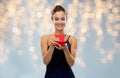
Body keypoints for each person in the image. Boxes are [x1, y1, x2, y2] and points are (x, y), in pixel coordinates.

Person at [40, 5, 77, 78]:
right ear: (52, 20)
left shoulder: (72, 39)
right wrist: (52, 47)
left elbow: (71, 64)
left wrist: (65, 49)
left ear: (66, 20)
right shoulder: (45, 38)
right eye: (56, 19)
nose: (59, 22)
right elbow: (45, 62)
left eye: (62, 19)